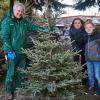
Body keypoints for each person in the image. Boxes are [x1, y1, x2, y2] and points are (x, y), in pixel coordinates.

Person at [1, 2, 46, 100]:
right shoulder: (7, 21)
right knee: (11, 72)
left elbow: (33, 27)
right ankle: (8, 91)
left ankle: (18, 90)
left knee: (21, 72)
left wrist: (45, 29)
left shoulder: (24, 22)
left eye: (22, 11)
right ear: (14, 11)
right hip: (12, 53)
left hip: (22, 52)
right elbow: (5, 37)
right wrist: (9, 51)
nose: (20, 13)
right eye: (18, 11)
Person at [69, 18, 87, 85]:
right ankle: (75, 79)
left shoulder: (85, 31)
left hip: (84, 50)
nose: (77, 24)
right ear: (73, 24)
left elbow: (85, 41)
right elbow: (73, 42)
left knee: (83, 65)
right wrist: (77, 50)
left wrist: (82, 50)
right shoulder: (71, 31)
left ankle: (83, 81)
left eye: (79, 23)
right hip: (75, 50)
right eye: (75, 23)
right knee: (75, 64)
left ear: (81, 23)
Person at [84, 21, 100, 96]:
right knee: (90, 74)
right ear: (85, 29)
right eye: (87, 27)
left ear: (93, 27)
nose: (88, 28)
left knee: (97, 75)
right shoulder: (85, 36)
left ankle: (98, 89)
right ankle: (91, 86)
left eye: (90, 27)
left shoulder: (98, 35)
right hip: (88, 60)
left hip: (97, 60)